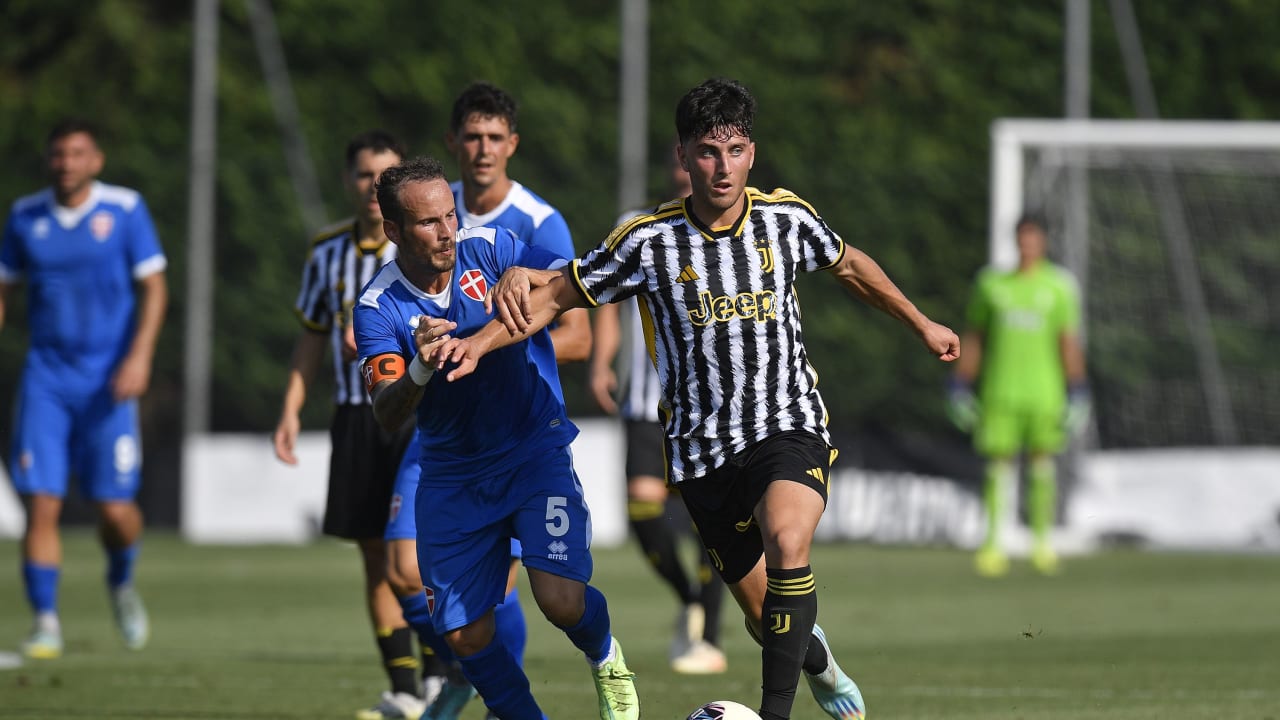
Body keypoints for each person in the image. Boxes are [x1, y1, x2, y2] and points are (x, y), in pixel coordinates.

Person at [433, 77, 961, 720]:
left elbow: (850, 265)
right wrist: (479, 343)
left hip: (787, 422)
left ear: (752, 152)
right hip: (702, 450)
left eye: (735, 150)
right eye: (708, 151)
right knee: (769, 617)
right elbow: (559, 294)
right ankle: (817, 662)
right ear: (683, 155)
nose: (722, 166)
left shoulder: (785, 219)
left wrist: (923, 322)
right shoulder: (648, 242)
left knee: (789, 539)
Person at [354, 156, 639, 720]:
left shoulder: (493, 245)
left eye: (449, 215)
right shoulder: (377, 307)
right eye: (428, 223)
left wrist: (527, 275)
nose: (446, 232)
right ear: (392, 230)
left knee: (560, 599)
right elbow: (386, 411)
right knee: (463, 635)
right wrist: (419, 366)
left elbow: (580, 281)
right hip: (455, 476)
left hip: (534, 451)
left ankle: (606, 658)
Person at [379, 81, 595, 720]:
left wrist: (484, 337)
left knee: (526, 588)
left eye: (494, 137)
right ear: (452, 144)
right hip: (442, 436)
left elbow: (576, 317)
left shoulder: (530, 223)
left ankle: (494, 681)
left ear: (512, 145)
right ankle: (471, 668)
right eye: (471, 136)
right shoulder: (425, 218)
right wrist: (410, 347)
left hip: (515, 432)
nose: (482, 148)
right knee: (401, 571)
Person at [272, 130, 430, 720]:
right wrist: (290, 408)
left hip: (417, 417)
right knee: (373, 555)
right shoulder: (327, 252)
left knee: (418, 555)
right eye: (365, 175)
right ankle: (405, 686)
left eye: (385, 175)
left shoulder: (425, 244)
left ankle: (443, 673)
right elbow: (310, 340)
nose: (374, 187)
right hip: (356, 419)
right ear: (350, 181)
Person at [0, 119, 168, 659]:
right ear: (48, 161)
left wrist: (139, 356)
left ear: (95, 160)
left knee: (114, 509)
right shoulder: (25, 216)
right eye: (57, 155)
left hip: (110, 383)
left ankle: (121, 581)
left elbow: (155, 287)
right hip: (47, 380)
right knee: (41, 504)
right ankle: (46, 620)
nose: (66, 163)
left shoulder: (123, 209)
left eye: (77, 154)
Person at [587, 147, 728, 675]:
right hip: (647, 403)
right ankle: (689, 597)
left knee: (716, 522)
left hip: (710, 406)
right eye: (684, 163)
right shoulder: (637, 228)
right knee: (644, 513)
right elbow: (604, 295)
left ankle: (708, 637)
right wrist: (603, 361)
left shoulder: (738, 229)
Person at [947, 212, 1088, 577]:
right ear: (1015, 240)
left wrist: (1078, 389)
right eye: (1022, 237)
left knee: (1042, 465)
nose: (1027, 244)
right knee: (998, 464)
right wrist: (960, 384)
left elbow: (1068, 341)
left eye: (1033, 238)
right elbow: (975, 337)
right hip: (1000, 390)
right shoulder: (992, 284)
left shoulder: (1059, 286)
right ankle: (994, 542)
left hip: (1045, 392)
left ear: (1043, 242)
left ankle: (1042, 542)